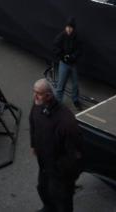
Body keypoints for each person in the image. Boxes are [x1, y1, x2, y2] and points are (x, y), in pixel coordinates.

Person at [30, 78, 83, 212]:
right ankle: (49, 208)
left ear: (48, 95)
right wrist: (34, 144)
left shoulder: (66, 121)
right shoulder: (38, 104)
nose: (35, 96)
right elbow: (32, 122)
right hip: (44, 162)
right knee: (43, 188)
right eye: (34, 92)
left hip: (59, 171)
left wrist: (61, 171)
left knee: (62, 199)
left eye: (39, 93)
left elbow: (75, 154)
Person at [53, 18, 82, 110]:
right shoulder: (61, 36)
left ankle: (75, 100)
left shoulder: (77, 37)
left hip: (73, 64)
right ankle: (57, 102)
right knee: (61, 84)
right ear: (65, 27)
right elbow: (55, 47)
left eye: (70, 27)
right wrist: (63, 56)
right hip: (64, 64)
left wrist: (72, 57)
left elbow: (79, 50)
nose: (69, 29)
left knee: (75, 84)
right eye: (67, 27)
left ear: (73, 29)